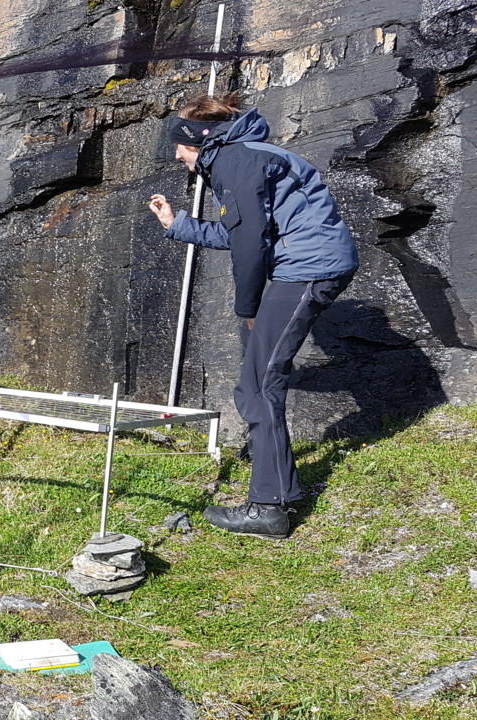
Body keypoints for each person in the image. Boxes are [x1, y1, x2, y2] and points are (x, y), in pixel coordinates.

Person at [147, 93, 359, 539]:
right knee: (256, 379)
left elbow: (249, 245)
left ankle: (269, 507)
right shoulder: (243, 154)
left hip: (307, 268)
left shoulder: (237, 161)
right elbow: (241, 231)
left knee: (258, 384)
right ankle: (271, 486)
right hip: (305, 264)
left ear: (198, 141)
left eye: (179, 147)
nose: (177, 155)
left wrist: (248, 309)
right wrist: (177, 224)